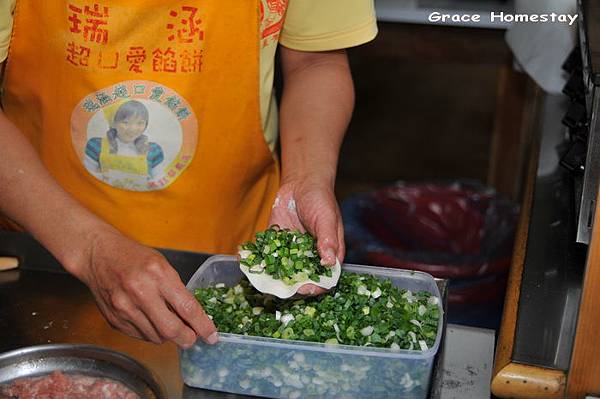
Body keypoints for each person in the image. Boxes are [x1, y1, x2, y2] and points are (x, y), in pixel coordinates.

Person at [0, 1, 377, 348]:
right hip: (42, 254)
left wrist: (307, 179)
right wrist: (87, 247)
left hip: (229, 255)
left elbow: (316, 61)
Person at [84, 99, 165, 186]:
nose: (132, 129)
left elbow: (160, 181)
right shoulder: (96, 146)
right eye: (125, 122)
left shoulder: (153, 150)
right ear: (113, 123)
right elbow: (86, 178)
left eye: (140, 123)